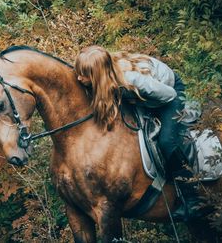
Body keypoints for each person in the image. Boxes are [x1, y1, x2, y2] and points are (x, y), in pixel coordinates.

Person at [74, 45, 207, 221]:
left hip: (170, 94)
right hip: (143, 96)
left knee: (167, 142)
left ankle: (193, 198)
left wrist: (146, 109)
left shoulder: (132, 80)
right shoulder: (104, 74)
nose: (78, 77)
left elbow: (169, 95)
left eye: (83, 74)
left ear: (97, 76)